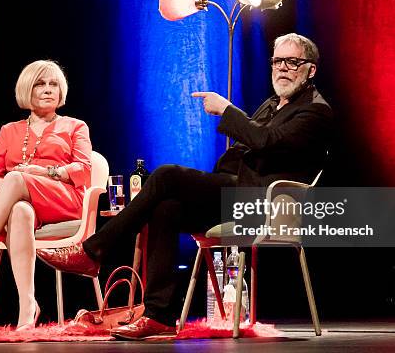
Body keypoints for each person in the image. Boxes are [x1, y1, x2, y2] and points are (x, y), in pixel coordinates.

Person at [37, 33, 332, 339]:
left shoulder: (315, 110)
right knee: (166, 207)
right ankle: (159, 315)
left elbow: (265, 141)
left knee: (166, 175)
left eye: (292, 62)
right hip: (237, 193)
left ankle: (94, 250)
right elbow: (252, 144)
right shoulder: (273, 104)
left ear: (310, 70)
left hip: (264, 204)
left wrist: (227, 110)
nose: (282, 68)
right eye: (277, 61)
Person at [0, 60, 92, 331]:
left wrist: (42, 173)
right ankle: (27, 307)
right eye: (40, 84)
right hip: (23, 204)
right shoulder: (9, 131)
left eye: (53, 84)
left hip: (64, 201)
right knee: (20, 209)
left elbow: (83, 171)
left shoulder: (75, 126)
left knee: (18, 177)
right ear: (26, 90)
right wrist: (10, 185)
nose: (48, 90)